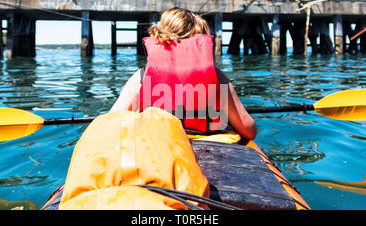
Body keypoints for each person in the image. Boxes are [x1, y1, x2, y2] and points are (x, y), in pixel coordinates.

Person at [110, 7, 256, 140]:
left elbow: (112, 122)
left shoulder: (142, 76)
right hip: (209, 150)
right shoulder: (216, 76)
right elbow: (248, 130)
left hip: (157, 148)